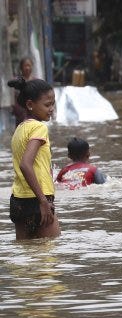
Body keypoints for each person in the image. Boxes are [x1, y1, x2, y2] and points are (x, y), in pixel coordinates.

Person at [7, 77, 59, 240]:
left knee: (26, 252)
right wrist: (43, 201)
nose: (51, 109)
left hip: (18, 200)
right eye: (47, 105)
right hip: (38, 198)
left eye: (53, 104)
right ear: (30, 104)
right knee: (49, 250)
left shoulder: (19, 129)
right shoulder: (39, 128)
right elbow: (25, 164)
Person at [11, 57, 35, 126]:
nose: (27, 68)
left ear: (32, 67)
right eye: (25, 66)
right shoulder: (16, 81)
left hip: (33, 112)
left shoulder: (36, 81)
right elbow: (12, 96)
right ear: (21, 67)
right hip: (20, 112)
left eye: (29, 65)